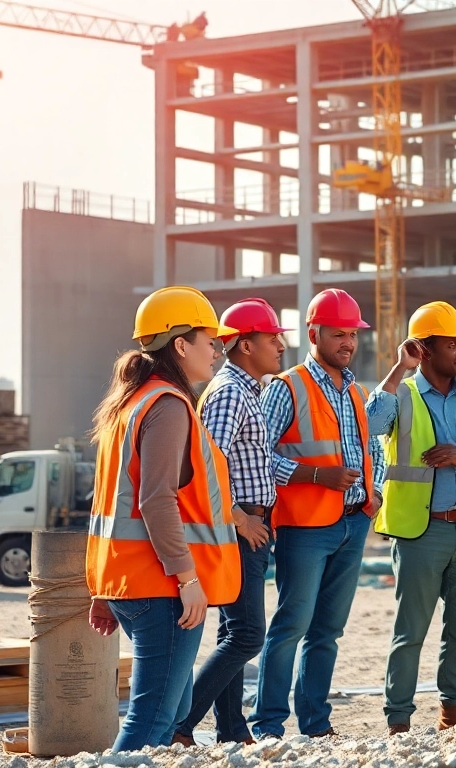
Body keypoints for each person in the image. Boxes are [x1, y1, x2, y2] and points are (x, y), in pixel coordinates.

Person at [86, 286, 241, 752]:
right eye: (209, 340)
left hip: (130, 581)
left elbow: (111, 503)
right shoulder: (169, 406)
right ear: (180, 345)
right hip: (162, 586)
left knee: (171, 711)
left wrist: (103, 591)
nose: (217, 350)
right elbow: (156, 501)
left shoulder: (129, 405)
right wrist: (187, 577)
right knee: (151, 724)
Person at [252, 288, 387, 739]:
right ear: (314, 333)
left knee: (327, 631)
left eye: (352, 334)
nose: (348, 342)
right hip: (305, 528)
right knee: (290, 625)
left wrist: (375, 491)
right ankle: (269, 726)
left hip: (352, 523)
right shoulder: (286, 387)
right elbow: (254, 455)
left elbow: (370, 448)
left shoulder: (354, 389)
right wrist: (313, 476)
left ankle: (315, 725)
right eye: (338, 334)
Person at [366, 302, 456, 735]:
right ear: (424, 351)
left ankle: (454, 713)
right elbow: (370, 424)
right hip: (419, 532)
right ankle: (398, 720)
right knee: (410, 633)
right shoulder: (402, 393)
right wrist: (398, 368)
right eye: (452, 342)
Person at [171, 299, 287, 747]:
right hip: (238, 531)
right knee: (247, 635)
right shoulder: (229, 394)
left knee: (232, 632)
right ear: (243, 344)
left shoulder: (249, 390)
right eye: (271, 337)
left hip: (252, 527)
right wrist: (240, 517)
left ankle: (232, 731)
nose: (279, 345)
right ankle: (182, 726)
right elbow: (203, 466)